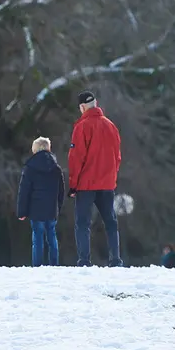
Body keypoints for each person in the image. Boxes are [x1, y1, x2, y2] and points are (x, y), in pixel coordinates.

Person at [68, 90, 124, 267]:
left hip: (86, 184)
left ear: (82, 107)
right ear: (96, 103)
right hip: (107, 183)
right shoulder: (111, 126)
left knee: (83, 223)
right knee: (110, 221)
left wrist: (73, 184)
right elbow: (118, 156)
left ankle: (84, 260)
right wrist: (112, 176)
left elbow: (77, 158)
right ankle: (115, 259)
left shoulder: (82, 127)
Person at [17, 136, 65, 267]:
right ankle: (54, 264)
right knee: (52, 236)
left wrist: (22, 211)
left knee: (37, 237)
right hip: (51, 209)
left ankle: (37, 265)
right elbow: (61, 191)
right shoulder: (56, 168)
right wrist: (58, 207)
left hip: (36, 208)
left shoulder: (30, 168)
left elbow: (24, 191)